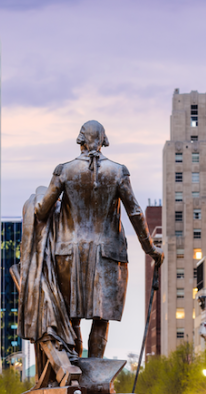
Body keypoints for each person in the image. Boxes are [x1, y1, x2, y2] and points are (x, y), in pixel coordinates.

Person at [33, 120, 163, 358]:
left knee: (71, 317)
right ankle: (94, 375)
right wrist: (150, 249)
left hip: (68, 254)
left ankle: (75, 371)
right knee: (101, 318)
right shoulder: (118, 172)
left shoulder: (64, 170)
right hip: (108, 254)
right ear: (103, 140)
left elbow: (41, 212)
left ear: (80, 140)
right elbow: (135, 212)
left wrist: (43, 201)